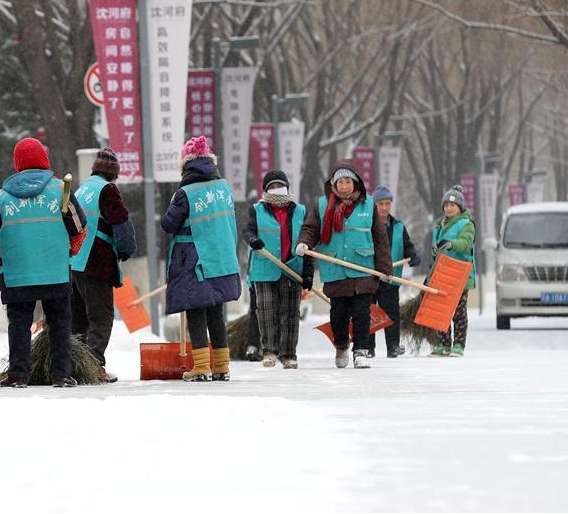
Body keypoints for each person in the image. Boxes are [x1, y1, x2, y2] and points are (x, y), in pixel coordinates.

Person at [0, 137, 87, 387]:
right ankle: (61, 373)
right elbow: (79, 227)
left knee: (19, 323)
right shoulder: (61, 190)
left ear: (17, 164)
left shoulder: (3, 197)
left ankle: (18, 374)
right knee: (60, 321)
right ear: (44, 160)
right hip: (55, 270)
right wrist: (69, 250)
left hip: (17, 273)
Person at [296, 160, 393, 369]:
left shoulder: (369, 206)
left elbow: (380, 238)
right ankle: (341, 346)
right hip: (336, 272)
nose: (344, 186)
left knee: (361, 314)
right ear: (334, 184)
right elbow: (310, 229)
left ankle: (361, 351)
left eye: (348, 181)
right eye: (340, 182)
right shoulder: (322, 206)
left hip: (363, 270)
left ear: (356, 183)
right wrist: (304, 242)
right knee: (338, 315)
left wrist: (385, 269)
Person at [160, 136, 241, 382]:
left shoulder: (186, 193)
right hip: (222, 258)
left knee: (196, 311)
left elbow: (168, 224)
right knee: (216, 311)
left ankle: (202, 367)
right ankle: (222, 367)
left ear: (186, 165)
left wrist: (174, 202)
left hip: (195, 260)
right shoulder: (224, 188)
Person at [69, 148, 137, 383]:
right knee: (101, 317)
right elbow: (121, 221)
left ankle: (74, 365)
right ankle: (93, 365)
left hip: (74, 262)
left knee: (78, 319)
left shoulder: (83, 188)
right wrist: (127, 248)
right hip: (96, 261)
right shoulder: (107, 190)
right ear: (113, 174)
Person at [243, 170, 313, 369]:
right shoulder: (256, 210)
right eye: (272, 187)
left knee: (291, 313)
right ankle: (269, 351)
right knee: (266, 311)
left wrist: (307, 272)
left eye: (280, 187)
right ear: (265, 190)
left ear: (287, 188)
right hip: (264, 267)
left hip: (291, 267)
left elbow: (308, 240)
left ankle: (289, 353)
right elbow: (247, 230)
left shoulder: (300, 211)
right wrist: (253, 240)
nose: (276, 191)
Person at [367, 185, 422, 358]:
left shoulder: (398, 227)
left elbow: (407, 246)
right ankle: (368, 348)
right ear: (374, 206)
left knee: (392, 313)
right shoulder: (367, 225)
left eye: (387, 204)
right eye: (381, 204)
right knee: (369, 313)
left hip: (391, 278)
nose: (384, 207)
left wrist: (413, 256)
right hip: (370, 276)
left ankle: (393, 346)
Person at [428, 185, 475, 357]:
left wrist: (451, 244)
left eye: (452, 205)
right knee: (440, 310)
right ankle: (443, 343)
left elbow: (466, 244)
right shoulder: (439, 225)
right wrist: (430, 272)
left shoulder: (467, 224)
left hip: (459, 273)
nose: (448, 208)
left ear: (460, 207)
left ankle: (459, 345)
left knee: (459, 311)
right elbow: (435, 250)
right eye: (446, 205)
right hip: (441, 273)